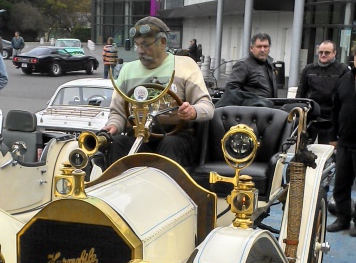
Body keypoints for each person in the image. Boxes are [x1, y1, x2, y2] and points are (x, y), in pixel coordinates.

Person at [103, 17, 214, 167]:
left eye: (146, 45)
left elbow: (207, 106)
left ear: (162, 42)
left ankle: (166, 189)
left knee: (169, 144)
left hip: (176, 136)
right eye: (137, 46)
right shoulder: (127, 70)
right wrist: (113, 126)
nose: (141, 51)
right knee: (115, 143)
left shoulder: (185, 65)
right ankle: (117, 187)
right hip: (138, 136)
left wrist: (193, 111)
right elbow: (118, 112)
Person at [296, 40, 350, 143]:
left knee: (327, 152)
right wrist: (299, 114)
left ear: (334, 53)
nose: (323, 55)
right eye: (320, 52)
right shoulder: (308, 69)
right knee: (303, 150)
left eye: (327, 53)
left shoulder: (343, 70)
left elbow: (346, 96)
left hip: (331, 118)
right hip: (310, 116)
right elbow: (301, 93)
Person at [326, 47, 356, 235]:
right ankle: (343, 219)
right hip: (345, 141)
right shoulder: (344, 79)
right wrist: (333, 136)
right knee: (341, 184)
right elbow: (335, 109)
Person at [218, 33, 277, 105]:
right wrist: (253, 102)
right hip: (253, 111)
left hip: (270, 107)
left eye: (265, 46)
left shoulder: (269, 64)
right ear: (251, 48)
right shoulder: (243, 65)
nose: (262, 50)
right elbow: (231, 91)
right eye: (259, 46)